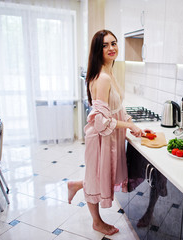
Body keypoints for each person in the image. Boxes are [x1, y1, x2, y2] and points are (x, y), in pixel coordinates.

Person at [67, 29, 145, 236]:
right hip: (100, 139)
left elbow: (117, 108)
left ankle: (76, 185)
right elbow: (101, 121)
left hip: (109, 138)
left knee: (99, 177)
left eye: (114, 43)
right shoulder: (103, 78)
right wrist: (128, 126)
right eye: (105, 45)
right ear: (98, 50)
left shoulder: (110, 73)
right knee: (95, 180)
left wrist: (130, 121)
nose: (111, 48)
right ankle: (97, 222)